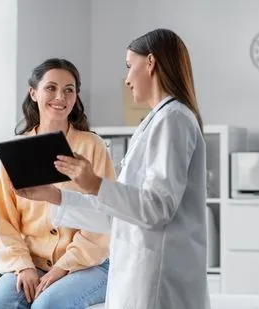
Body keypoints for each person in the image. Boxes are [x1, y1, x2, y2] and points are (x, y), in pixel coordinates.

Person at [16, 29, 209, 309]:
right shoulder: (155, 121)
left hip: (158, 278)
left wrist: (94, 183)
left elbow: (156, 209)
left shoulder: (174, 119)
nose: (127, 79)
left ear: (151, 63)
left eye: (130, 66)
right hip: (138, 271)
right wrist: (54, 196)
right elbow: (119, 215)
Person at [0, 58, 115, 309]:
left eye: (69, 90)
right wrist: (24, 266)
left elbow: (104, 216)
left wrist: (61, 268)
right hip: (31, 261)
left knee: (47, 306)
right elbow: (3, 220)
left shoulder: (92, 146)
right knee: (0, 304)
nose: (61, 96)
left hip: (89, 263)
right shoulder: (15, 152)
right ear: (33, 92)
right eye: (51, 88)